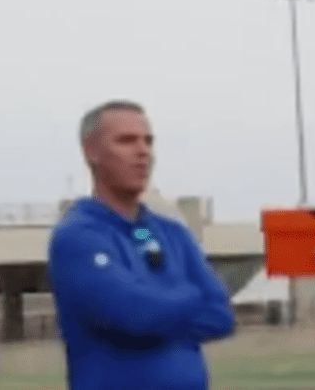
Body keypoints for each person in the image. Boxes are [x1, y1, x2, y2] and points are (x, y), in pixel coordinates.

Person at [48, 100, 235, 390]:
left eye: (148, 141)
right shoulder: (78, 237)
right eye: (126, 141)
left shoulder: (173, 233)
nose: (142, 152)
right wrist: (190, 295)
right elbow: (135, 315)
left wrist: (159, 309)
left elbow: (221, 315)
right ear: (91, 151)